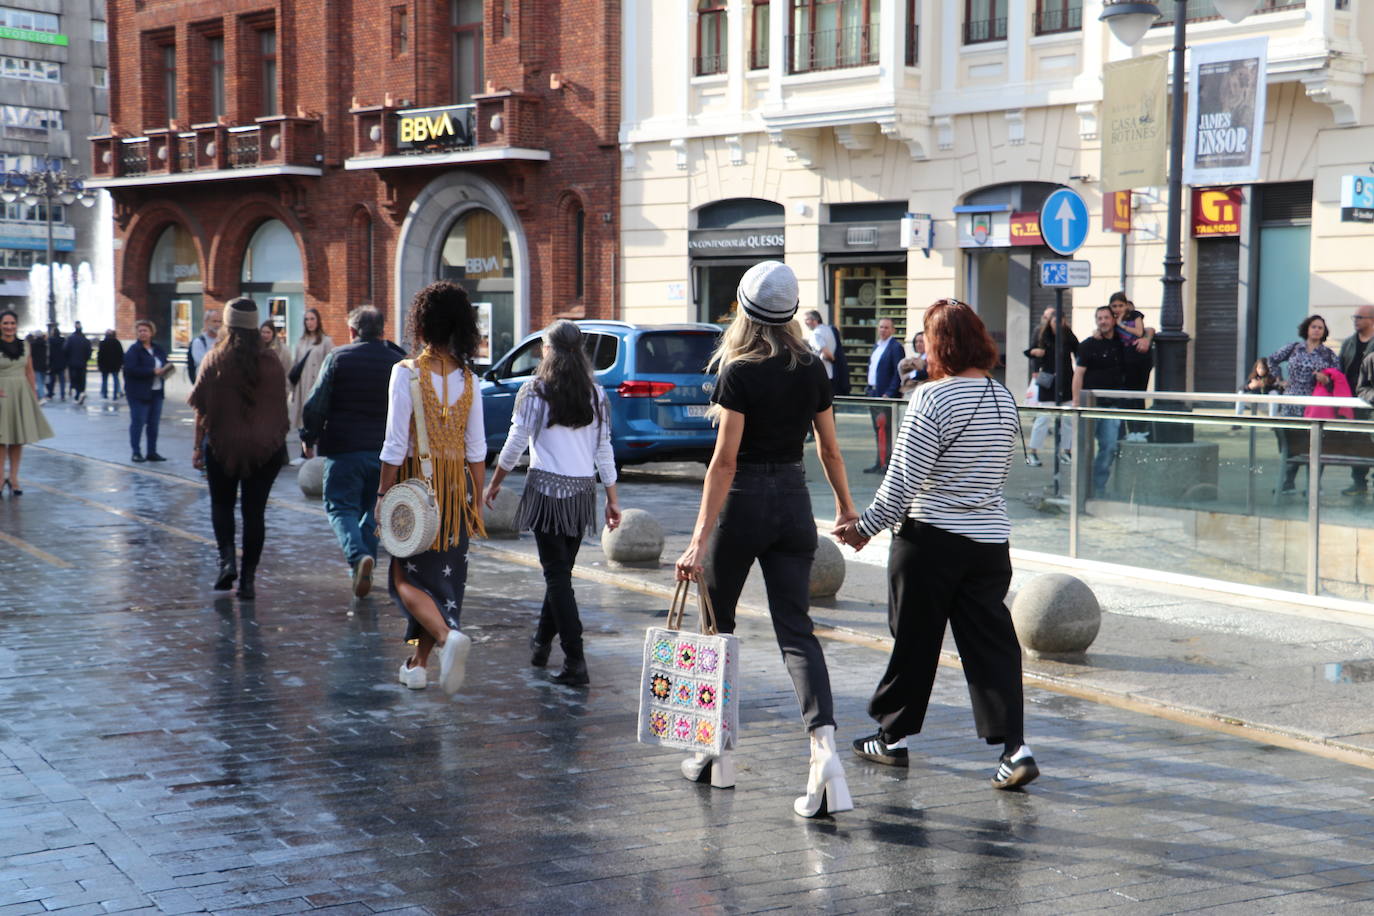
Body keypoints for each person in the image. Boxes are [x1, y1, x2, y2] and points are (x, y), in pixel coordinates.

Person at [674, 260, 859, 818]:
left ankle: (716, 751)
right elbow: (829, 449)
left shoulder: (739, 369)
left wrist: (697, 538)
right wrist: (847, 507)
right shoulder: (811, 368)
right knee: (796, 633)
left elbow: (724, 462)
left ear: (744, 311)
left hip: (744, 505)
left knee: (717, 627)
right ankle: (824, 750)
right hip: (795, 506)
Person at [834, 299, 1036, 790]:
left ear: (939, 344)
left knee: (915, 641)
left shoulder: (932, 399)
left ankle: (892, 737)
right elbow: (997, 474)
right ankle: (1016, 749)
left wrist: (865, 527)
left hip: (930, 539)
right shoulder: (1001, 396)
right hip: (989, 542)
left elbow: (902, 480)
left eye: (925, 337)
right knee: (992, 647)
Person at [485, 320, 622, 686]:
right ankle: (541, 645)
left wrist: (494, 483)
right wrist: (612, 498)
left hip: (546, 491)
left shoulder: (535, 391)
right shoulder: (596, 393)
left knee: (557, 576)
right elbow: (603, 449)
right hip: (580, 494)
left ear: (549, 350)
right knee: (559, 574)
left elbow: (515, 442)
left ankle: (576, 661)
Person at [377, 281, 487, 695]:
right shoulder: (470, 381)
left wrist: (382, 494)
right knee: (440, 581)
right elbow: (477, 450)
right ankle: (417, 665)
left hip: (413, 488)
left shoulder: (405, 373)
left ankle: (445, 638)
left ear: (421, 324)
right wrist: (475, 502)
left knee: (403, 578)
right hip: (456, 492)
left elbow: (393, 445)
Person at [300, 305, 405, 598]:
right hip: (386, 452)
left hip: (344, 448)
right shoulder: (399, 361)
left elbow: (315, 404)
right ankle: (362, 570)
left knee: (339, 506)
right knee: (375, 509)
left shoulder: (338, 357)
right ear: (383, 330)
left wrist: (308, 437)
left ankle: (358, 557)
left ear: (351, 331)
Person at [189, 298, 288, 600]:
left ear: (228, 326)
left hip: (221, 444)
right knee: (254, 513)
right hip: (264, 448)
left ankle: (227, 560)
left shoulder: (214, 359)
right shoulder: (272, 362)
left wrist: (196, 447)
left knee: (221, 505)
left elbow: (201, 409)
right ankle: (248, 580)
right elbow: (278, 405)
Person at [1269, 315, 1339, 493]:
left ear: (1324, 332)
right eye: (1314, 326)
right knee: (1291, 444)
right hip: (1291, 402)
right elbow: (1272, 360)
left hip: (1315, 403)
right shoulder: (1293, 348)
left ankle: (1314, 485)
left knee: (1314, 445)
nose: (1316, 330)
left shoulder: (1328, 354)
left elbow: (1337, 379)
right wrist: (1279, 380)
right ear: (1306, 329)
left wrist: (1326, 378)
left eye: (1320, 328)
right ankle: (1287, 482)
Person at [1072, 306, 1128, 495]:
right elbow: (1078, 374)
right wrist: (1076, 402)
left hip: (1112, 406)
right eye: (1099, 318)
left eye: (1106, 317)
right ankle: (1081, 489)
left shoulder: (1122, 343)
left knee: (1109, 447)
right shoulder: (1088, 344)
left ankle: (1098, 487)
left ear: (1113, 320)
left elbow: (1145, 332)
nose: (1102, 321)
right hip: (1089, 405)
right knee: (1084, 449)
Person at [0, 309, 54, 495]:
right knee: (1, 439)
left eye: (12, 323)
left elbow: (29, 371)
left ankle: (14, 479)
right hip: (2, 394)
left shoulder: (25, 345)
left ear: (17, 325)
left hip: (21, 393)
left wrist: (33, 393)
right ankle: (0, 478)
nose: (9, 327)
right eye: (5, 323)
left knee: (17, 439)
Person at [1024, 306, 1078, 467]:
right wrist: (1036, 355)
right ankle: (1033, 452)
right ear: (1050, 322)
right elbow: (1030, 352)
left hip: (1067, 381)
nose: (1058, 324)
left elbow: (1079, 352)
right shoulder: (1042, 334)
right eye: (1055, 321)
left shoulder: (1068, 335)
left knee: (1068, 420)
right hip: (1048, 382)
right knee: (1043, 418)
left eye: (1061, 321)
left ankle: (1066, 451)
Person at [123, 319, 173, 462]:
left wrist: (166, 370)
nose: (142, 333)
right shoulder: (134, 350)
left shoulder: (158, 349)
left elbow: (164, 362)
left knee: (154, 424)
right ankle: (136, 452)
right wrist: (151, 371)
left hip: (156, 391)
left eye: (145, 330)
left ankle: (152, 452)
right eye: (140, 331)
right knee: (138, 422)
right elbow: (130, 370)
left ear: (152, 332)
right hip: (138, 393)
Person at [289, 308, 334, 464]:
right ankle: (304, 452)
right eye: (307, 319)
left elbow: (331, 364)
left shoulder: (326, 341)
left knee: (319, 418)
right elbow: (296, 365)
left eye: (312, 319)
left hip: (318, 385)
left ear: (318, 320)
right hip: (303, 384)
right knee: (304, 418)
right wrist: (293, 389)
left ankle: (320, 453)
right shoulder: (301, 342)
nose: (309, 322)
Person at [1337, 306, 1374, 496]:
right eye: (1355, 317)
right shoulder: (1349, 343)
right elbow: (1340, 368)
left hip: (1371, 400)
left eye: (1359, 317)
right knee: (1356, 442)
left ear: (1371, 320)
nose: (1355, 320)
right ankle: (1359, 482)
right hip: (1353, 401)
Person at [864, 317, 904, 473]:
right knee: (877, 430)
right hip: (873, 392)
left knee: (886, 430)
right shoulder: (876, 346)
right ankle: (879, 462)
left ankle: (888, 464)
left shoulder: (895, 347)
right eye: (881, 327)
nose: (883, 330)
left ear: (893, 330)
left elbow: (897, 372)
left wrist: (890, 392)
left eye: (887, 327)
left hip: (885, 396)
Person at [802, 309, 839, 390]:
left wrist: (830, 359)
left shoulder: (816, 334)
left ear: (815, 320)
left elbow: (827, 354)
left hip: (820, 375)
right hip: (829, 374)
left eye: (807, 320)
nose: (805, 323)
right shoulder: (828, 329)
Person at [186, 308, 222, 385]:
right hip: (205, 385)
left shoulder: (223, 341)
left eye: (220, 321)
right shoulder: (199, 342)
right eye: (214, 321)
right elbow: (205, 363)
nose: (218, 325)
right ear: (206, 322)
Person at [65, 322, 92, 404]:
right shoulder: (85, 340)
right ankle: (82, 392)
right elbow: (89, 352)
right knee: (82, 378)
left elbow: (65, 349)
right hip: (82, 363)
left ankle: (77, 395)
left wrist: (68, 359)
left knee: (75, 378)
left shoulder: (70, 339)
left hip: (72, 363)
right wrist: (86, 359)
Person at [898, 331, 929, 396]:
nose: (918, 344)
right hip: (909, 391)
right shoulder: (915, 358)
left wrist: (909, 375)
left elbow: (924, 373)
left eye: (921, 341)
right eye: (916, 342)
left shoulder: (930, 358)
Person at [98, 329, 124, 399]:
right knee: (115, 379)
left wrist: (100, 365)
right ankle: (115, 395)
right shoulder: (117, 342)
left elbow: (100, 355)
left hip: (105, 365)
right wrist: (121, 364)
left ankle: (105, 394)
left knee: (104, 380)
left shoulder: (103, 343)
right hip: (115, 365)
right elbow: (121, 354)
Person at [45, 325, 65, 401]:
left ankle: (50, 394)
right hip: (61, 363)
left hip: (52, 363)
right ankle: (62, 395)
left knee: (52, 380)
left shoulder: (50, 340)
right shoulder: (63, 340)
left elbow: (48, 352)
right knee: (62, 381)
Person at [28, 330, 47, 402]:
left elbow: (30, 355)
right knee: (42, 381)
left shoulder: (33, 344)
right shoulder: (45, 344)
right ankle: (41, 395)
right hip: (44, 365)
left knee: (38, 381)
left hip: (36, 365)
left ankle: (41, 397)